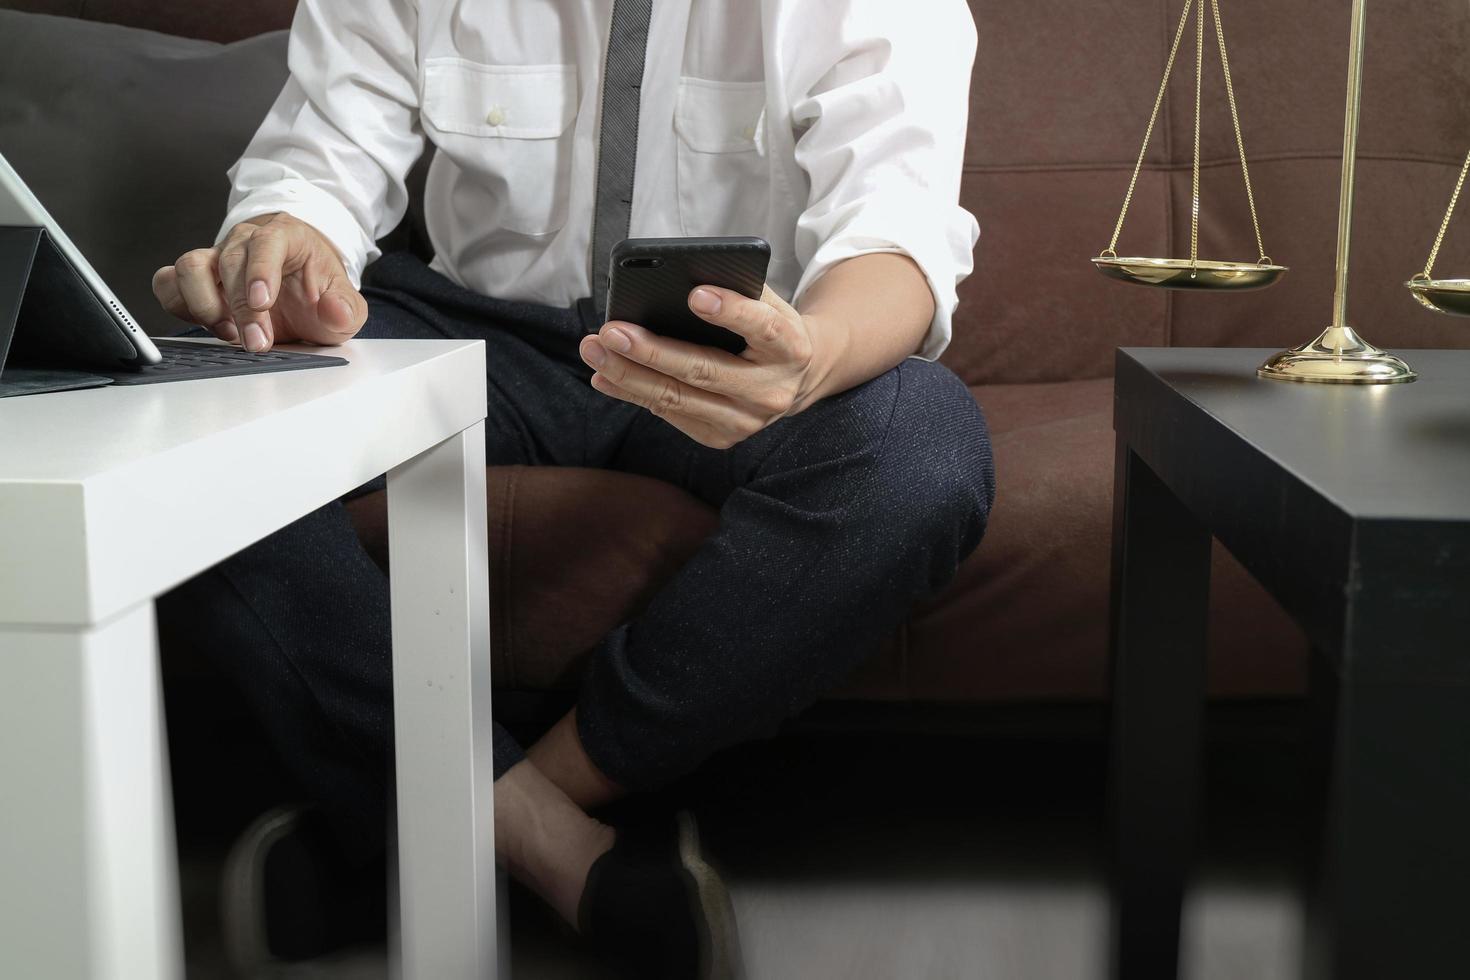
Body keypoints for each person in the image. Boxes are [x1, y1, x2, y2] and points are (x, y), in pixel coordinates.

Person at [153, 2, 992, 977]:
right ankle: (551, 843)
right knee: (193, 428)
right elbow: (317, 166)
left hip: (741, 352)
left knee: (923, 451)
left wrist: (815, 357)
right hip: (479, 334)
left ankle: (441, 821)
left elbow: (896, 229)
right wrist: (282, 248)